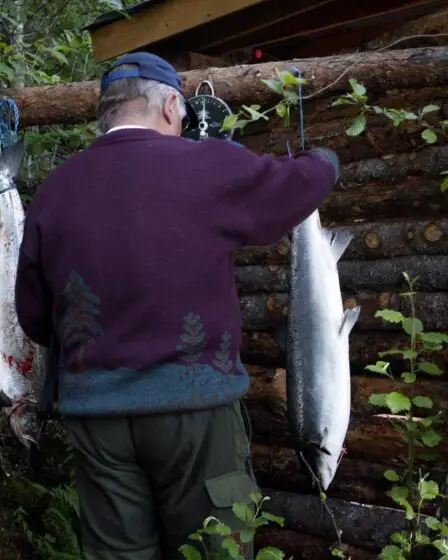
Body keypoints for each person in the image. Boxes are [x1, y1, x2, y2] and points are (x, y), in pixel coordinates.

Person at [15, 52, 341, 560]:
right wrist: (325, 160)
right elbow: (298, 185)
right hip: (196, 411)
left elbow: (34, 316)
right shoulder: (205, 165)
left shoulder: (56, 191)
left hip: (96, 418)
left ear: (108, 111)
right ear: (170, 106)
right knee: (214, 548)